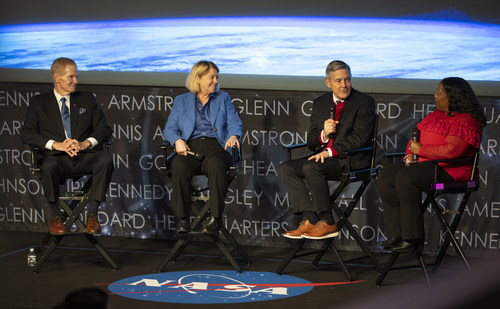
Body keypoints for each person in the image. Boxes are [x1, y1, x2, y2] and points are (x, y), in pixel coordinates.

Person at [377, 77, 486, 252]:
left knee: (407, 177)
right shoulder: (435, 115)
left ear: (452, 97)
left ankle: (413, 238)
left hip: (452, 171)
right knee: (387, 176)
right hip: (425, 165)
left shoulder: (465, 121)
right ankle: (395, 234)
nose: (435, 96)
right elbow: (415, 141)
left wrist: (420, 151)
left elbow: (451, 151)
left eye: (439, 92)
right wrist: (408, 156)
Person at [279, 60, 376, 239]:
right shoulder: (320, 103)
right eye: (338, 81)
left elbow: (359, 139)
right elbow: (311, 142)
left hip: (351, 160)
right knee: (287, 168)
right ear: (328, 82)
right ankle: (310, 218)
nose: (344, 85)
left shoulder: (364, 102)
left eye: (347, 79)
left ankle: (328, 221)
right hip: (325, 160)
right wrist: (324, 134)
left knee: (312, 166)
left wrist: (330, 152)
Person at [20, 57, 113, 235]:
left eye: (76, 76)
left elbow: (105, 129)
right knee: (49, 166)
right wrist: (57, 145)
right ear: (57, 78)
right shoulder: (39, 103)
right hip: (56, 158)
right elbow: (26, 133)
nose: (75, 81)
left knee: (105, 160)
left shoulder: (87, 99)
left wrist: (86, 143)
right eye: (71, 77)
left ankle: (92, 215)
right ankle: (56, 217)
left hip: (84, 156)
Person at [163, 60, 243, 233]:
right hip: (190, 149)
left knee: (216, 165)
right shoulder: (181, 101)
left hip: (217, 148)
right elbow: (169, 129)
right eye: (211, 77)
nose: (216, 81)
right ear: (198, 78)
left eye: (217, 77)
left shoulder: (223, 98)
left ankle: (215, 218)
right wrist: (177, 140)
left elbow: (235, 123)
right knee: (178, 166)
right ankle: (183, 220)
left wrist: (233, 136)